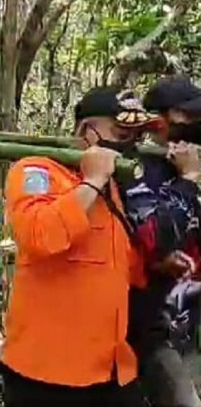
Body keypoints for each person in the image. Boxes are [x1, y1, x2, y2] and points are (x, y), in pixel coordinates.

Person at [0, 87, 154, 407]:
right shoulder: (37, 171)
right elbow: (38, 234)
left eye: (137, 135)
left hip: (113, 369)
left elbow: (122, 264)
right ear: (87, 131)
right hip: (49, 375)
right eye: (122, 133)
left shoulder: (115, 186)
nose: (130, 144)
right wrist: (92, 181)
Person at [123, 74, 201, 407]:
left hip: (189, 320)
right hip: (149, 323)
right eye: (189, 116)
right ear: (158, 121)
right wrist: (189, 179)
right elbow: (153, 238)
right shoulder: (137, 170)